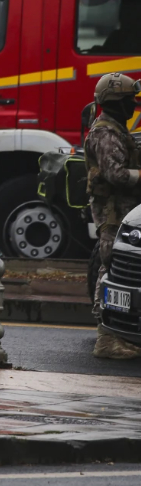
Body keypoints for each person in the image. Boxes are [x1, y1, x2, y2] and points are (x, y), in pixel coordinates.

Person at [85, 72, 141, 360]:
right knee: (111, 262)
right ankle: (106, 337)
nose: (133, 105)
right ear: (115, 102)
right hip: (111, 208)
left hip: (122, 207)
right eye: (129, 100)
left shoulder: (117, 129)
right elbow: (115, 174)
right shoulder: (106, 133)